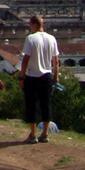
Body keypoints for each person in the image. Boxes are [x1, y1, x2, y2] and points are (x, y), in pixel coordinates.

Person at [20, 14, 61, 143]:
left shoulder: (30, 38)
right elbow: (56, 61)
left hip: (32, 75)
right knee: (46, 104)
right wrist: (56, 76)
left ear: (34, 25)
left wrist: (21, 76)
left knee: (31, 104)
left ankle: (32, 134)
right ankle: (45, 133)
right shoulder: (52, 38)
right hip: (47, 75)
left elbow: (25, 59)